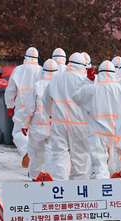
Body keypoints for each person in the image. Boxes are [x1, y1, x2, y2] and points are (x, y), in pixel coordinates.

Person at [73, 60, 121, 179]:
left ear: (99, 74)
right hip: (118, 133)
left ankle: (103, 193)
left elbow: (77, 96)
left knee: (100, 167)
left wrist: (87, 81)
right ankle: (117, 193)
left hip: (98, 133)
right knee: (117, 167)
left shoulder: (92, 89)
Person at [43, 52, 90, 181]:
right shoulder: (84, 80)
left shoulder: (56, 78)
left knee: (59, 156)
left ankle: (59, 189)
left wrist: (51, 114)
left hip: (59, 123)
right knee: (80, 159)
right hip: (81, 125)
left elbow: (46, 100)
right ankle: (78, 191)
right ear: (82, 66)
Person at [4, 47, 42, 168]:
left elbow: (10, 90)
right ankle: (36, 159)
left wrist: (10, 106)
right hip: (38, 108)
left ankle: (26, 152)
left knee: (18, 132)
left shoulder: (18, 70)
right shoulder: (41, 70)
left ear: (25, 57)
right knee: (35, 134)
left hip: (22, 107)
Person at [24, 59, 60, 180]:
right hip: (54, 126)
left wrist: (25, 124)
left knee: (36, 153)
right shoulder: (58, 86)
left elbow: (29, 108)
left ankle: (35, 176)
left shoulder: (37, 86)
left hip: (37, 126)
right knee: (51, 152)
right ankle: (50, 176)